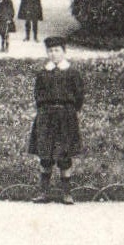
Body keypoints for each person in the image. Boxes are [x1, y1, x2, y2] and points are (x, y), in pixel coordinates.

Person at [29, 35, 85, 203]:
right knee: (45, 154)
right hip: (46, 116)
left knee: (64, 154)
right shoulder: (43, 73)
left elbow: (79, 96)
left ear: (63, 52)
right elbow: (38, 94)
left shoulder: (72, 73)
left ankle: (67, 193)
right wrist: (44, 111)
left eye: (57, 50)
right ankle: (44, 193)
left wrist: (70, 111)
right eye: (50, 51)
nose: (53, 54)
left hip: (65, 116)